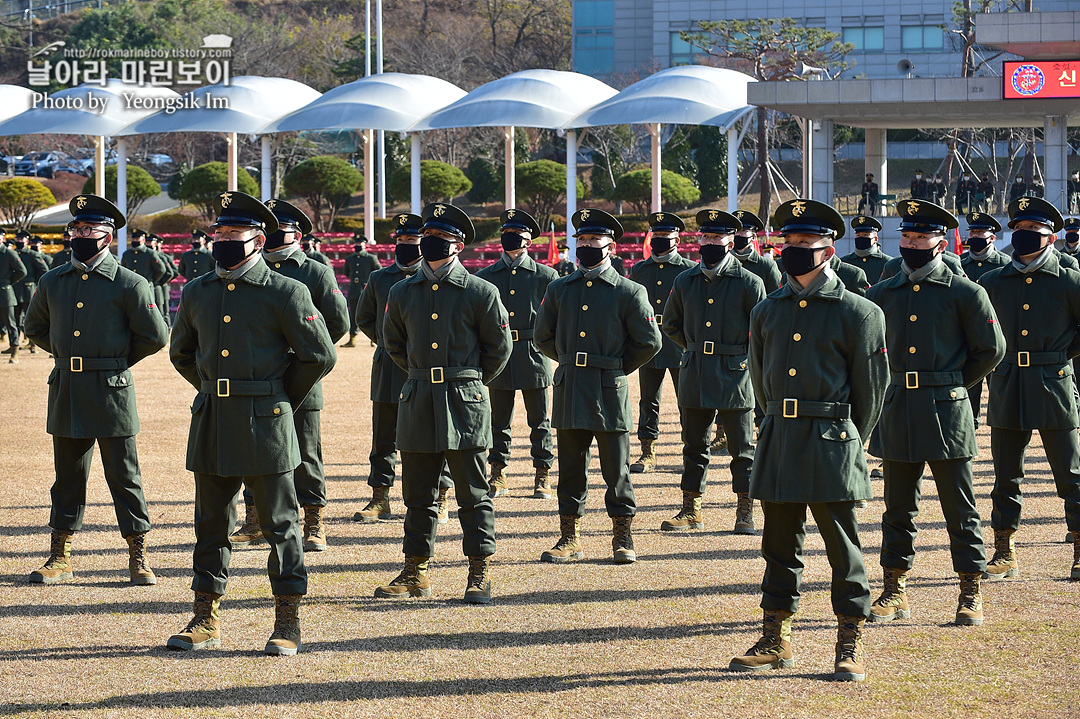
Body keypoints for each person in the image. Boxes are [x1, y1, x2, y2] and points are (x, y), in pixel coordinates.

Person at [168, 191, 336, 655]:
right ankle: (205, 617)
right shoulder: (199, 290)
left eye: (232, 234)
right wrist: (213, 389)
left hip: (267, 421)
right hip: (214, 420)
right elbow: (181, 353)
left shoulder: (286, 291)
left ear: (259, 240)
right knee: (211, 523)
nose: (220, 241)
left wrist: (276, 395)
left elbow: (319, 355)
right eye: (217, 233)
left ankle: (287, 621)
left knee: (281, 524)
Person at [729, 198, 887, 683]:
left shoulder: (859, 312)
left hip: (831, 438)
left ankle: (849, 642)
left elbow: (872, 391)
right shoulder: (766, 310)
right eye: (789, 243)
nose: (794, 251)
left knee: (843, 546)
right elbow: (759, 377)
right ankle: (775, 638)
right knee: (778, 544)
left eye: (805, 244)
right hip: (779, 435)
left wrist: (847, 437)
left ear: (829, 248)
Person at [865, 199, 1005, 627]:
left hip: (947, 411)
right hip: (897, 408)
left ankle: (970, 589)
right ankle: (894, 589)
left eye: (921, 238)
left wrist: (952, 384)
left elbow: (991, 350)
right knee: (897, 508)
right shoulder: (883, 293)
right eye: (906, 237)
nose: (911, 244)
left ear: (941, 244)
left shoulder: (966, 292)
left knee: (960, 508)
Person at [23, 194, 168, 586]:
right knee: (67, 476)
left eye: (89, 229)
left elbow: (155, 335)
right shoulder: (53, 280)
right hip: (67, 387)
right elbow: (34, 328)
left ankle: (138, 554)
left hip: (111, 390)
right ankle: (60, 554)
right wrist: (70, 355)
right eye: (76, 229)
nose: (80, 235)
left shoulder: (129, 283)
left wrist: (113, 361)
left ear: (108, 236)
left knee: (124, 474)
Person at [375, 202, 512, 603]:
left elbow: (498, 350)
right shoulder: (402, 291)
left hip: (463, 400)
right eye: (428, 237)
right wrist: (423, 375)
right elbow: (394, 344)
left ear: (459, 245)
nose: (432, 244)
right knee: (417, 494)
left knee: (473, 492)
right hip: (417, 398)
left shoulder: (481, 291)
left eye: (441, 238)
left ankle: (479, 571)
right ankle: (416, 570)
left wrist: (467, 381)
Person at [534, 208, 662, 564]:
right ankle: (568, 537)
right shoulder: (559, 288)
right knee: (571, 469)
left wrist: (617, 368)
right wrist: (569, 360)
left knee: (616, 470)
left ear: (611, 245)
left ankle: (622, 537)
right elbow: (543, 337)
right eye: (582, 240)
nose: (587, 245)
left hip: (609, 389)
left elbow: (650, 342)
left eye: (594, 240)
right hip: (571, 386)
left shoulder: (629, 291)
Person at [228, 199, 349, 553]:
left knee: (307, 452)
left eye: (279, 226)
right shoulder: (249, 268)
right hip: (259, 379)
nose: (272, 232)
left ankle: (313, 521)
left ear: (296, 233)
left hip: (302, 381)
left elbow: (338, 323)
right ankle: (255, 518)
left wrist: (302, 354)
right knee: (255, 448)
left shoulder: (315, 271)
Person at [978, 197, 1080, 582]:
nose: (1023, 238)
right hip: (1007, 385)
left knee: (1070, 473)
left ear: (1050, 238)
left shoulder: (1069, 280)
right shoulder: (992, 281)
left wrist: (1058, 356)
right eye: (1018, 231)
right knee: (1006, 475)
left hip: (1053, 383)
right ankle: (1004, 549)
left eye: (1032, 233)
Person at [660, 209, 764, 534]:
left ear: (731, 242)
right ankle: (691, 509)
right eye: (705, 237)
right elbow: (671, 324)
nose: (710, 242)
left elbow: (761, 332)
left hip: (735, 374)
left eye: (717, 237)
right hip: (695, 372)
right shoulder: (684, 280)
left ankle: (744, 510)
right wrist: (694, 347)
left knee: (742, 449)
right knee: (693, 446)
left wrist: (736, 356)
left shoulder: (749, 282)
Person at [353, 214, 454, 525]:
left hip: (425, 368)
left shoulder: (437, 280)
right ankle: (380, 497)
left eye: (411, 241)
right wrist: (388, 342)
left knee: (437, 431)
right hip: (388, 366)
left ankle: (441, 496)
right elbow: (365, 319)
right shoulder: (380, 279)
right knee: (383, 435)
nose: (405, 246)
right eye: (401, 241)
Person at [476, 209, 558, 498]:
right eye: (506, 233)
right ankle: (498, 471)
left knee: (540, 420)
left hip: (532, 352)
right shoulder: (485, 276)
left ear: (528, 241)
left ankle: (543, 472)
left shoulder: (547, 275)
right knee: (499, 420)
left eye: (517, 234)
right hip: (499, 354)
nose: (510, 238)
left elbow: (554, 319)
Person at [628, 212, 696, 473]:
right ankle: (648, 451)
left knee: (686, 400)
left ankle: (691, 450)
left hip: (679, 343)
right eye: (655, 235)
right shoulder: (640, 269)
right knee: (648, 400)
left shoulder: (689, 269)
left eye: (664, 236)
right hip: (649, 343)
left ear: (677, 239)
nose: (659, 240)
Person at [961, 212, 1010, 430]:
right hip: (966, 337)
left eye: (980, 232)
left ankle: (1003, 426)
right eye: (972, 232)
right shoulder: (960, 265)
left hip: (998, 337)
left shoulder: (1006, 265)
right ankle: (969, 427)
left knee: (1000, 388)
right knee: (969, 389)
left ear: (992, 237)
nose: (975, 236)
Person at [12, 232, 50, 354]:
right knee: (15, 320)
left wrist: (38, 285)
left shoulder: (32, 255)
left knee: (31, 318)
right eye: (17, 238)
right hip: (15, 291)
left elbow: (44, 271)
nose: (19, 241)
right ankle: (15, 344)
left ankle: (33, 345)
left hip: (29, 290)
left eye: (21, 239)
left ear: (26, 241)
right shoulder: (13, 254)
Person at [342, 233, 382, 348]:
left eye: (360, 243)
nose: (358, 245)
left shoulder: (371, 258)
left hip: (367, 290)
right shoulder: (350, 259)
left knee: (372, 314)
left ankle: (374, 339)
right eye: (356, 243)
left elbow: (378, 272)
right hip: (354, 290)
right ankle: (352, 339)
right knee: (354, 314)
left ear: (365, 245)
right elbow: (346, 272)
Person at [839, 216, 893, 286]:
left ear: (876, 239)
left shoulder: (888, 263)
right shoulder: (844, 262)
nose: (861, 238)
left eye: (865, 235)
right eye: (858, 235)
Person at [0, 230, 26, 362]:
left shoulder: (9, 253)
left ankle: (14, 348)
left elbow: (22, 271)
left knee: (10, 322)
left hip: (4, 292)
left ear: (3, 238)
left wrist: (8, 282)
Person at [148, 234, 177, 326]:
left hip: (160, 287)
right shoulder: (148, 255)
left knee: (163, 312)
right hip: (152, 287)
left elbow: (172, 272)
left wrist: (159, 281)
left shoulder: (164, 257)